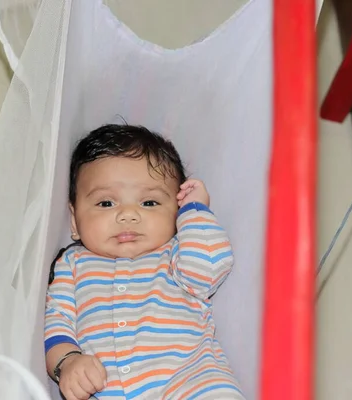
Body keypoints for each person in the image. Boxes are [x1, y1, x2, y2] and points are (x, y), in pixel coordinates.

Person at [44, 124, 244, 400]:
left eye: (149, 203)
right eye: (106, 203)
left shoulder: (177, 252)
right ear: (74, 222)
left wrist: (195, 212)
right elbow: (58, 319)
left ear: (176, 213)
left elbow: (208, 269)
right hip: (104, 389)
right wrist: (68, 362)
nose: (128, 215)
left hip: (188, 379)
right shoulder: (73, 264)